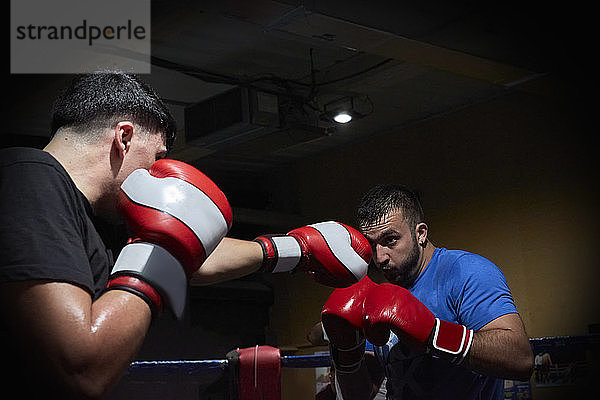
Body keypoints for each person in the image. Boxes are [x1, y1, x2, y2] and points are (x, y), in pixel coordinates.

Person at [0, 71, 370, 399]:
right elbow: (81, 371)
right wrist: (160, 244)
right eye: (156, 155)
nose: (157, 169)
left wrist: (295, 249)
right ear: (124, 137)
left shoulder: (85, 214)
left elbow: (190, 258)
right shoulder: (30, 180)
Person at [321, 184, 534, 399]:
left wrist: (434, 334)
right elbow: (361, 394)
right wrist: (346, 353)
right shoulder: (375, 292)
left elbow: (520, 359)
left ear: (420, 233)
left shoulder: (465, 272)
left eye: (390, 240)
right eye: (372, 244)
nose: (380, 257)